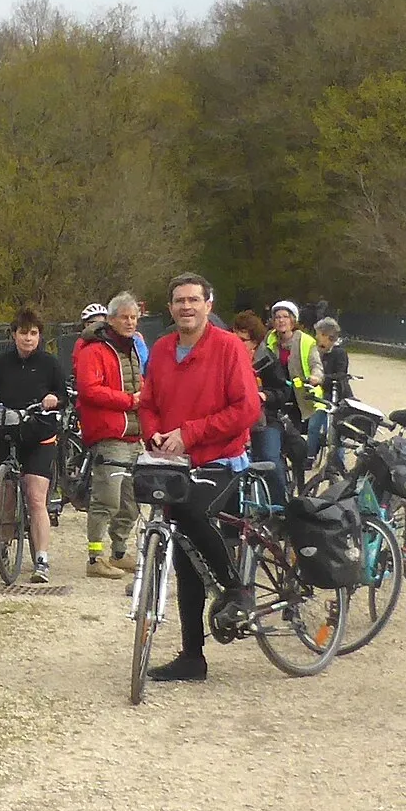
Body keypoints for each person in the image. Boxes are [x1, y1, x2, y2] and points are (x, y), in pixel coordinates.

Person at [138, 273, 261, 683]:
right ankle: (192, 655)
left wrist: (189, 433)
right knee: (184, 560)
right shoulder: (160, 349)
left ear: (209, 304)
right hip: (173, 464)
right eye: (178, 301)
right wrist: (153, 433)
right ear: (170, 308)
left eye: (193, 300)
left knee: (193, 514)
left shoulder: (227, 348)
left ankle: (236, 588)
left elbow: (245, 410)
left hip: (219, 460)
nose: (186, 307)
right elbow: (148, 402)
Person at [0, 308, 69, 582]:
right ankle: (2, 548)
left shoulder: (49, 364)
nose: (28, 338)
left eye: (34, 333)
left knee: (36, 498)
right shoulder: (3, 363)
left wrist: (53, 399)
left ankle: (41, 559)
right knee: (6, 497)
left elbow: (63, 395)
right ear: (13, 335)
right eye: (23, 333)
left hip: (39, 435)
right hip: (9, 433)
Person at [76, 293, 150, 580]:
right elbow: (89, 389)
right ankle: (95, 557)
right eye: (124, 317)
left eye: (134, 317)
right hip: (110, 434)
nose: (130, 322)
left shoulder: (131, 347)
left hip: (133, 434)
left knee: (130, 501)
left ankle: (119, 552)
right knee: (107, 499)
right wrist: (129, 401)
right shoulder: (93, 350)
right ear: (111, 319)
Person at [232, 309, 302, 508]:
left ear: (255, 342)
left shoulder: (267, 360)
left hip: (265, 419)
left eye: (242, 339)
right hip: (236, 421)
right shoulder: (226, 357)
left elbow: (283, 391)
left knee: (270, 461)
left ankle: (280, 510)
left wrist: (263, 396)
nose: (237, 342)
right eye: (234, 336)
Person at [268, 301, 325, 449]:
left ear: (293, 320)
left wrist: (315, 377)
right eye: (277, 317)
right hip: (276, 391)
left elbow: (316, 365)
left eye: (285, 316)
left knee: (294, 438)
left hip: (298, 393)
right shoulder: (270, 339)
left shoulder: (306, 341)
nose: (281, 320)